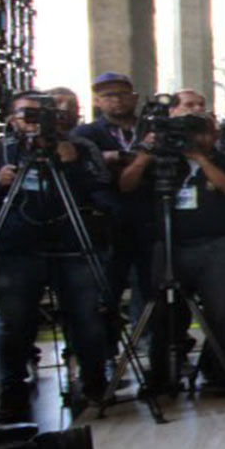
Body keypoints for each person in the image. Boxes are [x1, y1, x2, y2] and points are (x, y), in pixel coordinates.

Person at [0, 92, 116, 419]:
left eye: (42, 113)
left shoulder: (78, 147)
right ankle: (12, 392)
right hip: (15, 250)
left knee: (86, 317)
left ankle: (93, 384)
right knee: (14, 323)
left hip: (72, 245)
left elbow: (102, 187)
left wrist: (71, 163)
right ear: (11, 117)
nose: (34, 121)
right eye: (26, 113)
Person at [118, 110, 225, 392]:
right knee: (164, 313)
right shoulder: (161, 161)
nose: (196, 138)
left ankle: (222, 376)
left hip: (215, 246)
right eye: (191, 132)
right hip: (168, 245)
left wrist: (200, 159)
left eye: (203, 131)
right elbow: (126, 185)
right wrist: (144, 154)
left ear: (214, 135)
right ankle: (163, 376)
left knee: (221, 313)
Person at [77, 72, 156, 321]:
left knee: (153, 289)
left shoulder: (153, 129)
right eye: (108, 96)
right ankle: (107, 353)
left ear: (134, 98)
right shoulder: (85, 134)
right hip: (108, 225)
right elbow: (91, 171)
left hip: (150, 220)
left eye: (122, 94)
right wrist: (136, 157)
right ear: (97, 101)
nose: (116, 101)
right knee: (106, 291)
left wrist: (115, 158)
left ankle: (154, 345)